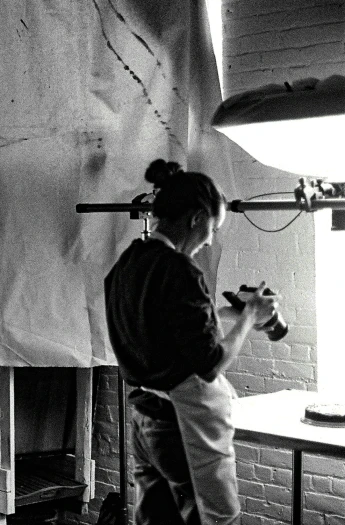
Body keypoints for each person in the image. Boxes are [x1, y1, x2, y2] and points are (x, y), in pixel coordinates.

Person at [103, 159, 280, 525]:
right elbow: (210, 362)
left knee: (156, 520)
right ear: (197, 219)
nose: (210, 239)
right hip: (179, 427)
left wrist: (228, 314)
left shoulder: (127, 265)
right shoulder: (180, 269)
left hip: (144, 421)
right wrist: (249, 317)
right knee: (214, 518)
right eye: (213, 228)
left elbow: (165, 326)